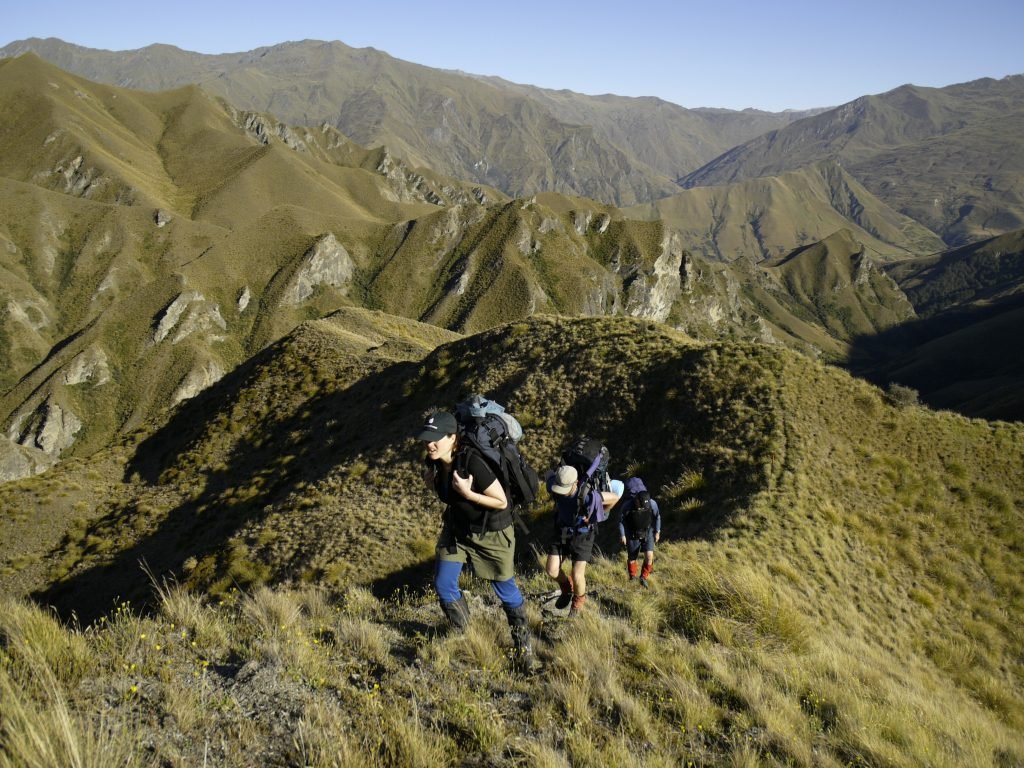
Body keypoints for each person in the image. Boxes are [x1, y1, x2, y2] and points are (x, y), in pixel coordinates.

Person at [416, 410, 536, 671]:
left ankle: (524, 648)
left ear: (453, 437)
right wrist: (433, 487)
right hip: (458, 529)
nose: (430, 444)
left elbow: (500, 501)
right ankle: (465, 636)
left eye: (436, 438)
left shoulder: (472, 463)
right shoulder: (435, 462)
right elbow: (451, 497)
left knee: (505, 590)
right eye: (427, 439)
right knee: (444, 583)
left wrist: (470, 494)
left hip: (491, 532)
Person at [545, 464, 620, 616]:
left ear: (575, 483)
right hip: (563, 531)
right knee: (552, 570)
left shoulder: (588, 495)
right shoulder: (554, 483)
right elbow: (548, 473)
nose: (561, 492)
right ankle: (567, 588)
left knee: (577, 574)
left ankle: (578, 602)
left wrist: (594, 516)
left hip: (583, 535)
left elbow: (614, 498)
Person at [617, 479, 661, 588]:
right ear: (636, 500)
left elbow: (657, 517)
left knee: (649, 556)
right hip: (632, 532)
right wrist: (622, 535)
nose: (641, 508)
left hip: (648, 531)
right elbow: (621, 520)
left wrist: (657, 531)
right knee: (632, 557)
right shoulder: (627, 505)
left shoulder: (652, 504)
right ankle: (632, 577)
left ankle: (644, 577)